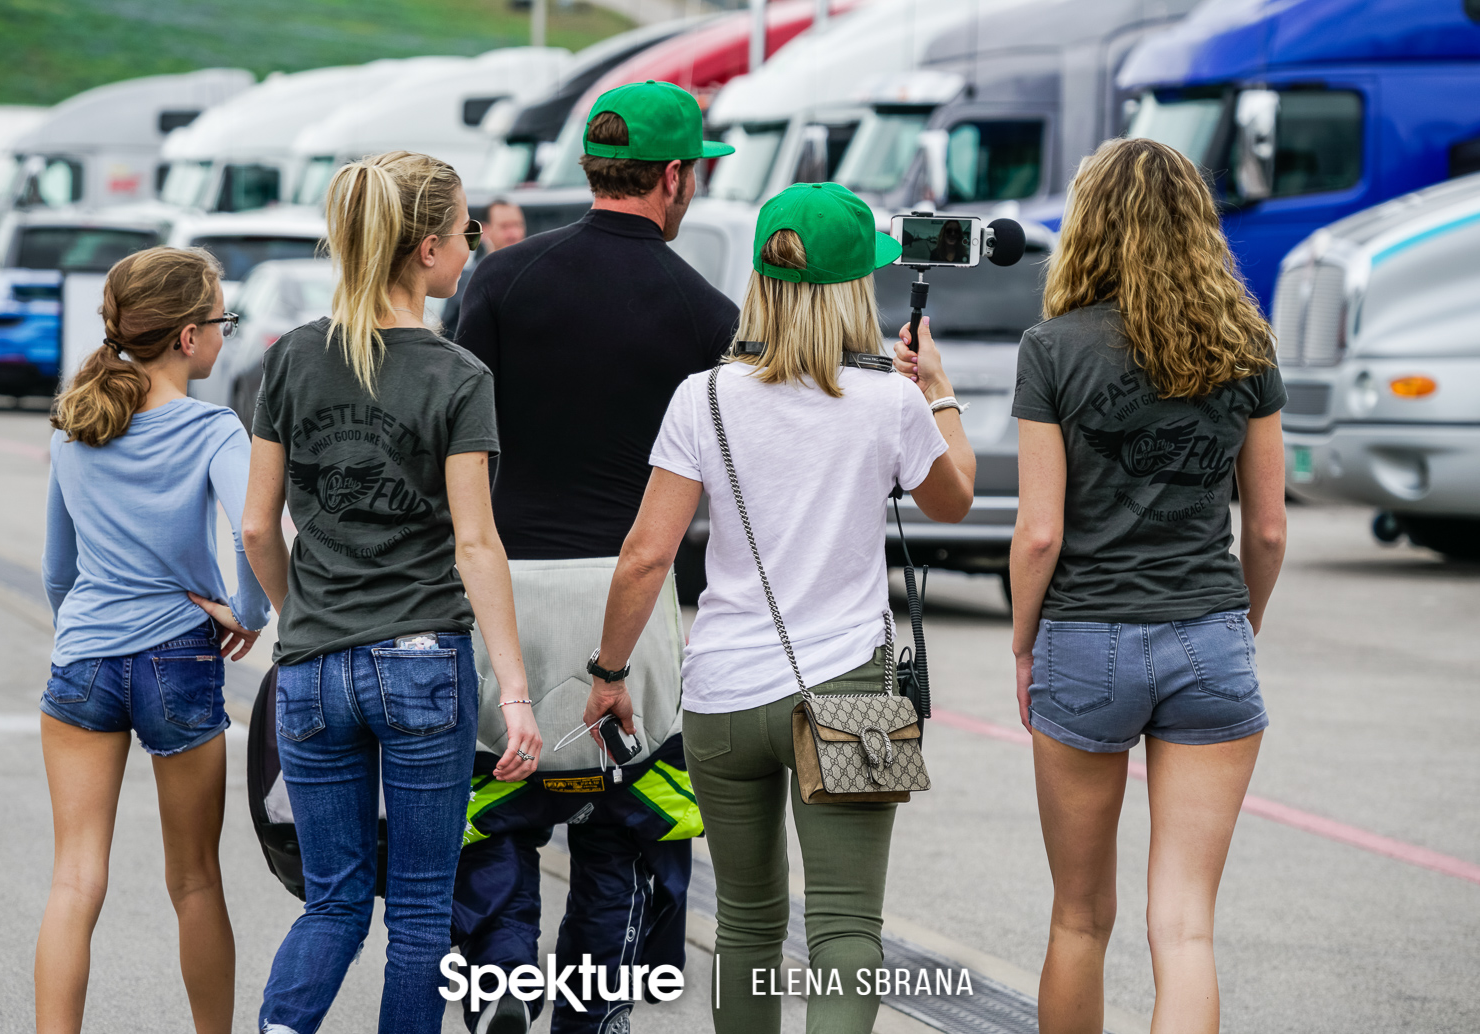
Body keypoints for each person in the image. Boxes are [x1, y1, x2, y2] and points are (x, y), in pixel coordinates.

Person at [584, 182, 977, 1034]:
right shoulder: (889, 399)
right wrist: (938, 388)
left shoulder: (704, 396)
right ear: (852, 290)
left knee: (748, 925)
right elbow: (953, 502)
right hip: (851, 690)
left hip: (724, 692)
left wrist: (610, 671)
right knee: (842, 925)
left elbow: (647, 555)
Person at [450, 79, 738, 1034]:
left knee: (498, 807)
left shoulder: (499, 278)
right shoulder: (704, 312)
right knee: (625, 823)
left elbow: (465, 448)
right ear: (671, 178)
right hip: (633, 595)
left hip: (510, 586)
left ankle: (498, 978)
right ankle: (592, 1010)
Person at [242, 150, 541, 1034]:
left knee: (332, 902)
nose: (472, 248)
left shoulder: (292, 357)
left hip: (312, 667)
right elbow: (477, 543)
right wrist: (515, 692)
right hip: (421, 663)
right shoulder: (457, 377)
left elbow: (259, 527)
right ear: (424, 249)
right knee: (417, 911)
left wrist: (303, 621)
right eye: (465, 233)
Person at [1009, 137, 1288, 1034]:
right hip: (1209, 631)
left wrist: (1024, 643)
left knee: (1079, 917)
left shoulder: (1051, 349)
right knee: (1186, 929)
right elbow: (1272, 528)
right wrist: (1237, 624)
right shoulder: (1246, 348)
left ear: (1088, 227)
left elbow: (1040, 530)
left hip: (1085, 639)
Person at [36, 246, 269, 1034]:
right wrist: (250, 611)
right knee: (195, 882)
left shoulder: (76, 421)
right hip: (178, 658)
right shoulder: (212, 428)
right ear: (188, 337)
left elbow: (57, 571)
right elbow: (254, 530)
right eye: (221, 322)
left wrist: (85, 630)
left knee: (74, 880)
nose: (223, 336)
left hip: (84, 660)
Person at [439, 197, 526, 334]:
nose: (513, 234)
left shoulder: (537, 274)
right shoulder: (467, 281)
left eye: (517, 225)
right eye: (505, 227)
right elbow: (449, 334)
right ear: (485, 230)